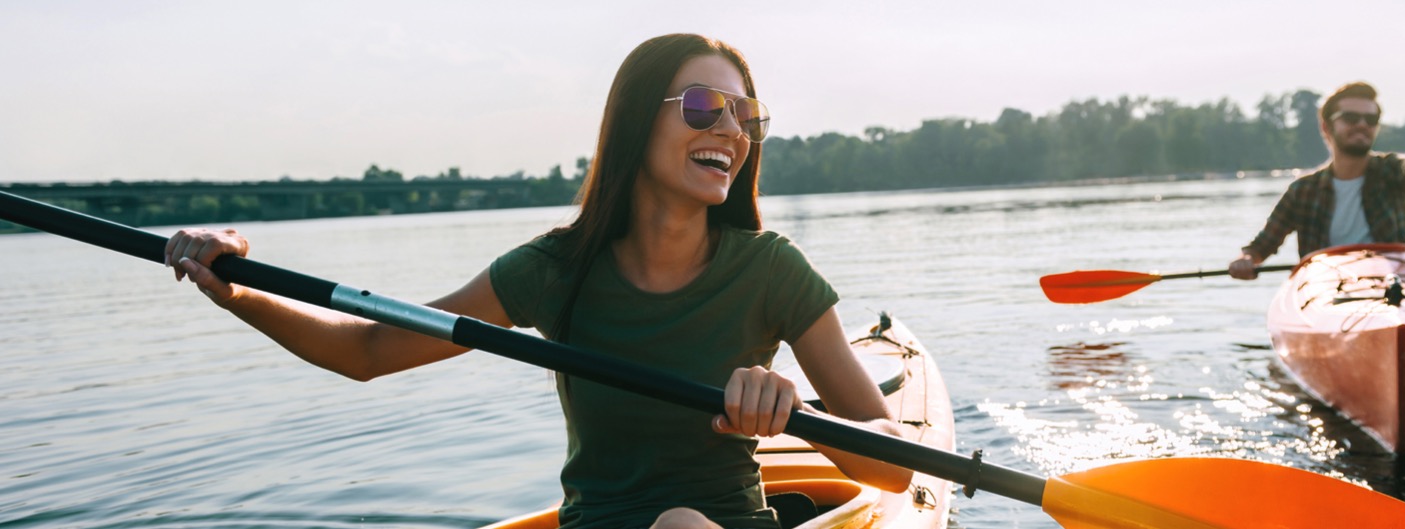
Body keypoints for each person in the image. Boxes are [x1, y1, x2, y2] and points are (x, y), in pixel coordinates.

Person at [161, 34, 912, 529]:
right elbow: (367, 349)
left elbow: (892, 465)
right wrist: (235, 288)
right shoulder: (554, 269)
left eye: (746, 116)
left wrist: (793, 414)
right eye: (703, 107)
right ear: (634, 120)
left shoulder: (772, 270)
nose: (732, 131)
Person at [1228, 81, 1405, 279]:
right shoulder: (1302, 190)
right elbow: (1261, 247)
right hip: (1325, 288)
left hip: (1391, 283)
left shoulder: (1390, 171)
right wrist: (1246, 260)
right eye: (1351, 118)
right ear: (1327, 127)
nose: (1362, 124)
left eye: (1370, 119)